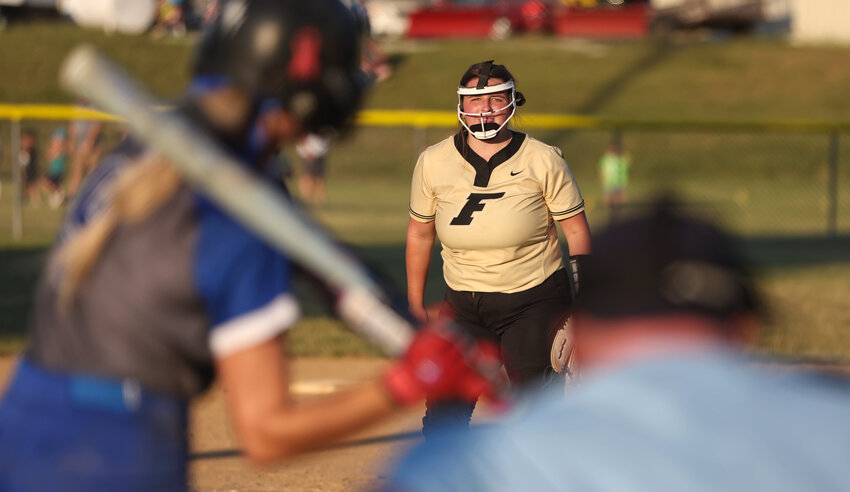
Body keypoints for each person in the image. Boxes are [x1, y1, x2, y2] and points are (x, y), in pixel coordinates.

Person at [0, 2, 504, 491]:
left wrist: (405, 325)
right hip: (119, 452)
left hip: (24, 418)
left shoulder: (148, 154)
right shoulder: (236, 223)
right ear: (308, 83)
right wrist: (408, 382)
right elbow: (266, 434)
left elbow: (318, 258)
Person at [387, 198, 850, 492]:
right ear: (744, 330)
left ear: (578, 338)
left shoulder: (475, 463)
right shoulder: (836, 428)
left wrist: (387, 392)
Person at [405, 60, 592, 437]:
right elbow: (420, 234)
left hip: (533, 299)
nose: (485, 110)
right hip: (462, 303)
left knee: (535, 414)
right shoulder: (433, 161)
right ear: (461, 105)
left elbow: (576, 231)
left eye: (495, 100)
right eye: (476, 101)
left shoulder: (543, 158)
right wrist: (413, 304)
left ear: (512, 102)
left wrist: (585, 307)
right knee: (444, 413)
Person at [66, 97, 104, 199]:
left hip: (93, 145)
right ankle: (71, 198)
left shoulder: (94, 105)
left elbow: (97, 124)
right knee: (76, 173)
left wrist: (90, 141)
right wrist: (71, 140)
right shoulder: (76, 105)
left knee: (93, 172)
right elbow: (72, 124)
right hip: (80, 144)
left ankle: (95, 197)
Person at [296, 132, 331, 206]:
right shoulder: (308, 128)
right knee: (308, 178)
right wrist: (307, 152)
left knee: (319, 179)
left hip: (319, 155)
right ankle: (305, 199)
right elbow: (301, 139)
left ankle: (320, 200)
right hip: (309, 156)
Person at [598, 135, 631, 209]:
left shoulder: (618, 158)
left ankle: (618, 208)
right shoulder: (605, 159)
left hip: (618, 180)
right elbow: (601, 169)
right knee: (608, 198)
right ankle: (609, 208)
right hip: (608, 181)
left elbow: (628, 159)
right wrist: (601, 178)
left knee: (620, 197)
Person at [18, 128, 40, 205]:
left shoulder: (33, 149)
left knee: (32, 183)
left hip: (30, 167)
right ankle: (23, 197)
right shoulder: (23, 143)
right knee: (24, 183)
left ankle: (35, 200)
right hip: (23, 164)